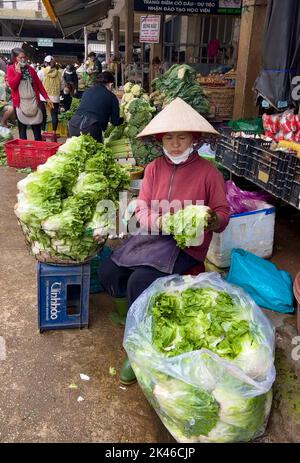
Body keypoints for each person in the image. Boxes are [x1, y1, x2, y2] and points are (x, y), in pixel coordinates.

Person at [98, 97, 231, 385]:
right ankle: (131, 315)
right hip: (153, 235)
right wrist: (157, 222)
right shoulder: (154, 169)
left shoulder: (209, 173)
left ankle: (138, 349)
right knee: (108, 271)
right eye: (169, 138)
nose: (175, 143)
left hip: (188, 246)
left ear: (193, 139)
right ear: (161, 139)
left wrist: (211, 220)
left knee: (139, 281)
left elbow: (223, 215)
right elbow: (142, 206)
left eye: (181, 137)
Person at [6, 48, 53, 141]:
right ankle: (25, 152)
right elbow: (13, 86)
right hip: (20, 104)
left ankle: (38, 150)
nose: (23, 59)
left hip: (34, 102)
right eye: (20, 58)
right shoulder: (11, 69)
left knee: (37, 132)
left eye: (24, 57)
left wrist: (47, 98)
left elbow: (39, 85)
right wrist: (19, 73)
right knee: (22, 132)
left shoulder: (30, 69)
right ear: (15, 58)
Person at [68, 71, 123, 143]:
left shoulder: (87, 91)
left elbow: (90, 108)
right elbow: (115, 121)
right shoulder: (112, 97)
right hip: (92, 127)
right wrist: (123, 120)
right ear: (111, 84)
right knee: (95, 151)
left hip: (73, 125)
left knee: (79, 151)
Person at [38, 55, 64, 137]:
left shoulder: (41, 72)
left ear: (45, 63)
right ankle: (54, 132)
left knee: (43, 114)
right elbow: (62, 86)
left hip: (44, 97)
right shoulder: (59, 73)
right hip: (55, 97)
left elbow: (38, 83)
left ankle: (42, 131)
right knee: (54, 115)